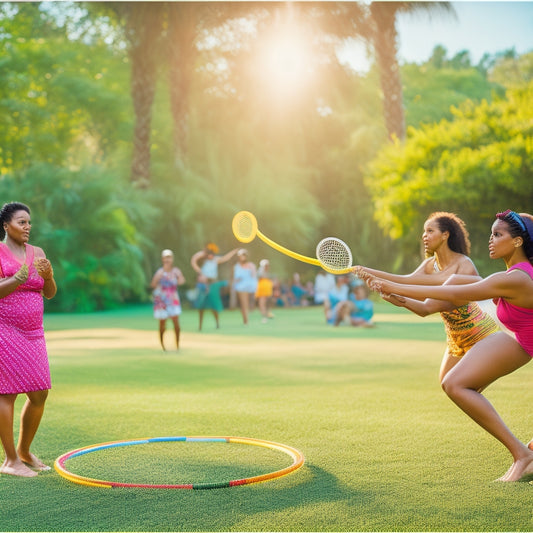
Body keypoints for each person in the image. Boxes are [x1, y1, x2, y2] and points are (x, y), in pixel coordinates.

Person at [367, 210, 533, 482]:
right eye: (491, 233)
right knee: (455, 383)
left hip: (521, 345)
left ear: (517, 242)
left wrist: (390, 283)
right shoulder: (513, 275)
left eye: (498, 234)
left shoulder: (515, 278)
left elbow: (452, 294)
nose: (490, 240)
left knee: (455, 384)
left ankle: (523, 456)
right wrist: (399, 294)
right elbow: (446, 288)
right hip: (523, 344)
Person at [356, 212, 499, 382]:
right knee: (448, 384)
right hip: (454, 337)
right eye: (424, 231)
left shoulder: (464, 264)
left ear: (445, 235)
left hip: (479, 335)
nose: (425, 236)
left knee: (462, 387)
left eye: (430, 231)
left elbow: (426, 306)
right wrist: (362, 271)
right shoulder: (429, 265)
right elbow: (406, 281)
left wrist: (388, 286)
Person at [0, 202, 57, 477]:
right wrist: (16, 278)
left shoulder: (38, 253)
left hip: (34, 333)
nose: (27, 227)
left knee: (39, 393)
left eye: (29, 223)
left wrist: (48, 276)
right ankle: (11, 461)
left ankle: (24, 451)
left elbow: (49, 293)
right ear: (6, 226)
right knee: (7, 393)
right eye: (22, 222)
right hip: (6, 329)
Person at [190, 243, 238, 330]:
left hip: (212, 285)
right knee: (201, 307)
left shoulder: (215, 260)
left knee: (214, 306)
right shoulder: (203, 262)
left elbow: (225, 258)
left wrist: (233, 252)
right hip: (204, 285)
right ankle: (200, 326)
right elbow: (194, 260)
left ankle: (217, 323)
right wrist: (204, 252)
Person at [150, 249, 185, 351]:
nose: (167, 259)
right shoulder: (160, 272)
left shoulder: (176, 271)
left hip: (173, 299)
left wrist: (177, 278)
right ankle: (163, 346)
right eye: (166, 257)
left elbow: (182, 281)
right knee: (162, 324)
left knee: (176, 324)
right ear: (163, 259)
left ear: (172, 259)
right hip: (162, 300)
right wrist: (159, 279)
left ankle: (177, 345)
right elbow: (153, 284)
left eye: (169, 257)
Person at [233, 249, 258, 325]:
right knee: (244, 304)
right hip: (241, 286)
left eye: (243, 256)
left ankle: (247, 317)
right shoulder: (237, 266)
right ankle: (245, 320)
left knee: (250, 304)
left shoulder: (251, 265)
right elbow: (236, 277)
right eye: (240, 256)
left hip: (250, 286)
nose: (242, 257)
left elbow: (254, 276)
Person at [255, 259, 274, 323]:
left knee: (268, 302)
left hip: (267, 288)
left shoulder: (267, 272)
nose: (267, 267)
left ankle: (267, 313)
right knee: (262, 302)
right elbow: (258, 277)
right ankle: (264, 316)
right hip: (261, 288)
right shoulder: (260, 271)